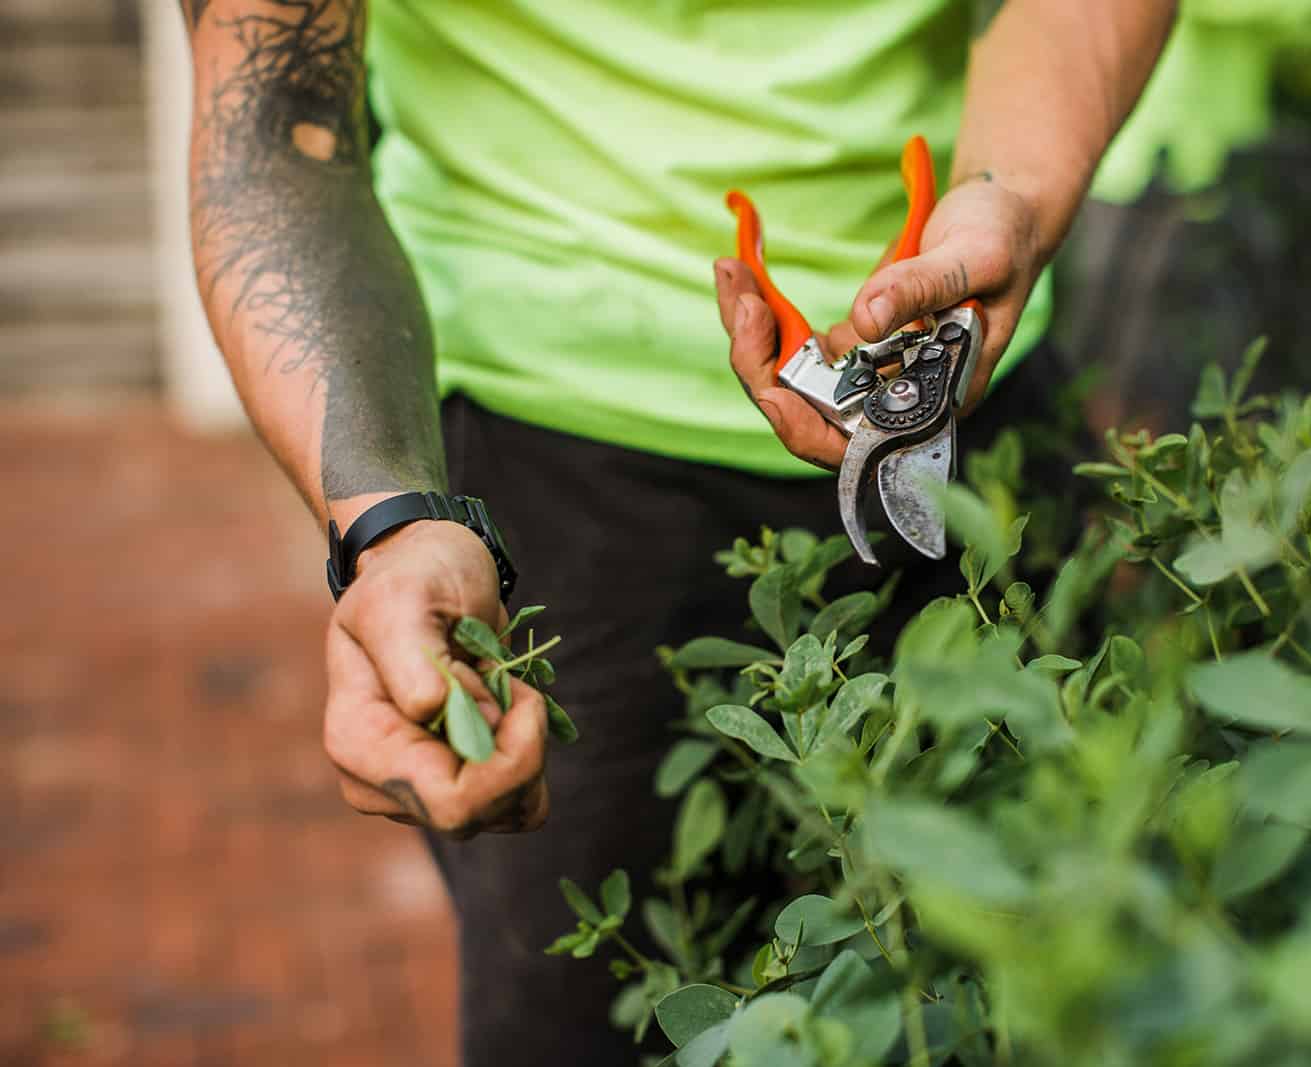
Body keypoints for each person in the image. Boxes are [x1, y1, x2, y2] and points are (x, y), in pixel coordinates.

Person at [178, 1, 1173, 1060]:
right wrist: (390, 520)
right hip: (541, 452)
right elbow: (274, 114)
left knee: (1031, 1002)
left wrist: (1007, 192)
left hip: (970, 395)